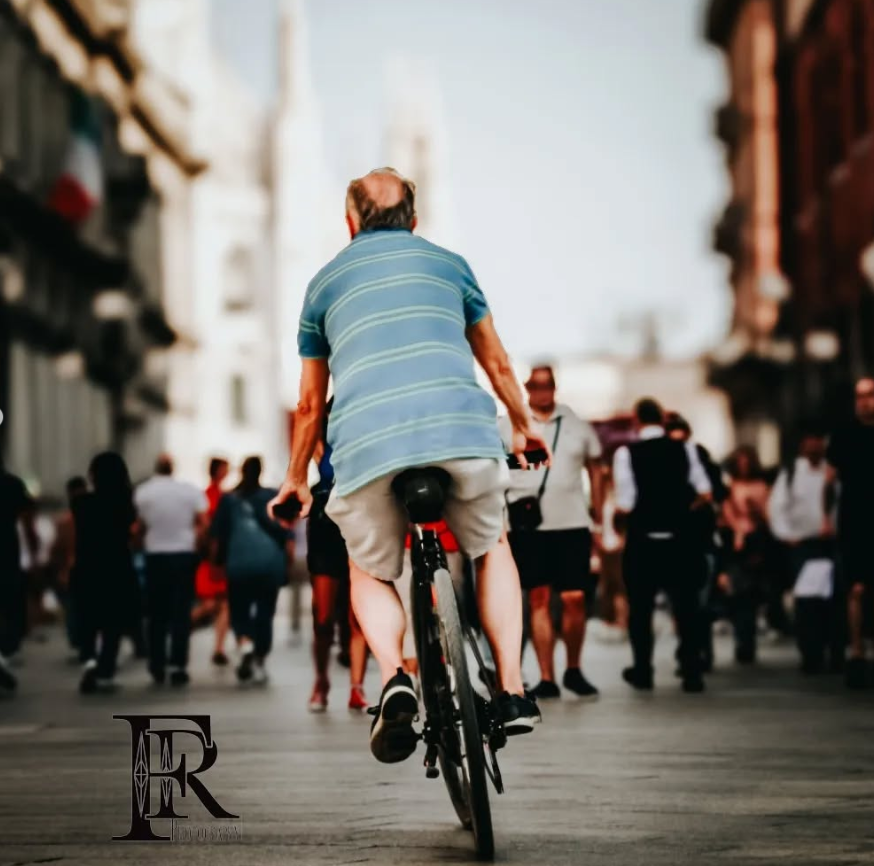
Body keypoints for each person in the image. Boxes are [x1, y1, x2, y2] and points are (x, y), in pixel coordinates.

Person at [269, 166, 544, 764]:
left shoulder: (322, 285)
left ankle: (393, 675)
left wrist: (294, 480)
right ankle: (514, 691)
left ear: (350, 223)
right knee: (494, 542)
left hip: (366, 447)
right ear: (414, 222)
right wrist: (524, 428)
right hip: (463, 434)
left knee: (366, 566)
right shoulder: (451, 265)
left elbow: (311, 403)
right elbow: (497, 366)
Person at [500, 365, 603, 699]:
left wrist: (598, 519)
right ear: (527, 388)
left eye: (547, 385)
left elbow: (596, 470)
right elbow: (494, 468)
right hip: (528, 527)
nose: (541, 391)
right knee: (539, 599)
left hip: (573, 523)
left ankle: (573, 668)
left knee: (574, 599)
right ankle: (547, 676)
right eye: (535, 385)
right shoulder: (508, 423)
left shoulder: (576, 424)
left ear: (555, 388)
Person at [613, 398, 712, 693]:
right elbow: (705, 492)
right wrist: (683, 509)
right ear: (662, 420)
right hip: (681, 540)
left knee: (640, 609)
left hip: (644, 541)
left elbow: (626, 502)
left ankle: (643, 670)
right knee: (686, 606)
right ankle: (692, 671)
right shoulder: (686, 449)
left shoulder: (626, 454)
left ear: (636, 420)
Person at [306, 403, 369, 712]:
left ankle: (357, 686)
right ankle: (321, 681)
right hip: (324, 525)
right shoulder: (320, 441)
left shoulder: (367, 437)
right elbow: (306, 412)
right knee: (322, 617)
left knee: (357, 614)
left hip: (358, 522)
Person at [212, 457, 294, 685]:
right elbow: (286, 532)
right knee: (265, 613)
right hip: (269, 563)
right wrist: (286, 563)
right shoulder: (272, 496)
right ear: (260, 471)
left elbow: (219, 537)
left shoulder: (229, 500)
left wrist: (218, 564)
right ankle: (259, 657)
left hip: (238, 564)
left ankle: (245, 642)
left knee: (239, 609)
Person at [134, 454, 208, 687]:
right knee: (180, 612)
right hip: (183, 555)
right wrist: (197, 545)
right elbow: (204, 523)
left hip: (155, 555)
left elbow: (139, 527)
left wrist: (141, 544)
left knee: (156, 613)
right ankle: (178, 665)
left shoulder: (144, 492)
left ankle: (157, 664)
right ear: (172, 468)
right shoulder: (189, 490)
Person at [769, 427, 836, 673]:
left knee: (832, 599)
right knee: (806, 601)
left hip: (831, 543)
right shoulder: (791, 473)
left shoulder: (833, 471)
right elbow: (777, 508)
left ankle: (834, 648)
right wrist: (788, 537)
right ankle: (811, 652)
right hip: (804, 545)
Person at [71, 452, 140, 694]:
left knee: (89, 615)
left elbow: (76, 536)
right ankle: (106, 669)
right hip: (117, 565)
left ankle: (89, 660)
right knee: (114, 620)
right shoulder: (126, 502)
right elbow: (132, 535)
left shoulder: (80, 503)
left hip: (88, 565)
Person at [666, 414, 728, 672]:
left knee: (699, 600)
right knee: (681, 602)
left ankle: (698, 649)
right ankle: (688, 650)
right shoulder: (663, 462)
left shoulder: (700, 457)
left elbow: (719, 491)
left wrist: (700, 502)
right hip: (675, 541)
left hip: (701, 540)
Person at [826, 376, 874, 689]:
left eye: (869, 395)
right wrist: (824, 517)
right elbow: (829, 479)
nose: (864, 401)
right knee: (856, 587)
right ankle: (856, 651)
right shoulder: (844, 433)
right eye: (859, 395)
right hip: (855, 518)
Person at [720, 446, 771, 664]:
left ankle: (748, 637)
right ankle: (743, 638)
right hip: (735, 545)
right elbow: (725, 515)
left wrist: (755, 512)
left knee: (752, 592)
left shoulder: (761, 487)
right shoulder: (729, 487)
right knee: (739, 593)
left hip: (756, 542)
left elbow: (768, 516)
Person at [192, 457, 232, 666]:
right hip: (212, 559)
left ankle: (219, 647)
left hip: (216, 557)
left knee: (223, 604)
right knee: (211, 604)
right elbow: (204, 527)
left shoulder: (217, 495)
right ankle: (183, 625)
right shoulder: (211, 496)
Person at [0, 459, 34, 692]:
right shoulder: (12, 484)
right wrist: (32, 546)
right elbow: (27, 519)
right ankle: (5, 649)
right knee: (9, 604)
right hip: (6, 551)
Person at [51, 476, 88, 655]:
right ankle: (84, 643)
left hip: (71, 572)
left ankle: (79, 642)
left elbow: (56, 550)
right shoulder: (95, 518)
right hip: (84, 571)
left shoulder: (64, 522)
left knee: (74, 609)